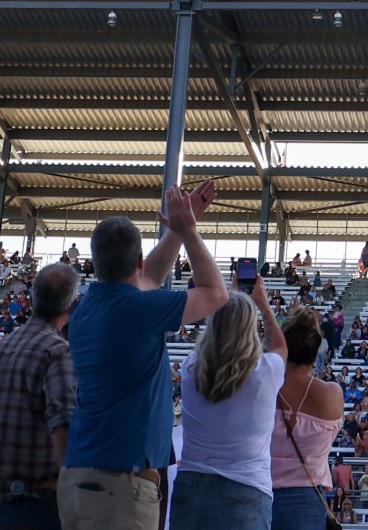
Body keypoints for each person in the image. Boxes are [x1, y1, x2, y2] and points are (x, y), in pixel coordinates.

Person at [58, 181, 228, 530]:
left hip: (80, 477)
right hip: (120, 487)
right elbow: (215, 294)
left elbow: (148, 276)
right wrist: (189, 232)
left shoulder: (86, 309)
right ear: (136, 258)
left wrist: (180, 230)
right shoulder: (138, 308)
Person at [170, 271, 286, 529]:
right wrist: (263, 305)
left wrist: (229, 296)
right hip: (246, 490)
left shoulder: (191, 368)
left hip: (191, 486)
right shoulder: (265, 371)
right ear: (249, 328)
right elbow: (280, 348)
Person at [0, 254, 79, 530]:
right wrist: (69, 487)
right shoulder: (58, 353)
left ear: (32, 301)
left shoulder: (1, 348)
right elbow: (62, 421)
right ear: (70, 308)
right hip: (35, 505)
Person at [270, 302, 346, 530]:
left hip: (259, 492)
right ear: (315, 353)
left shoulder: (262, 387)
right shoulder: (331, 394)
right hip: (307, 498)